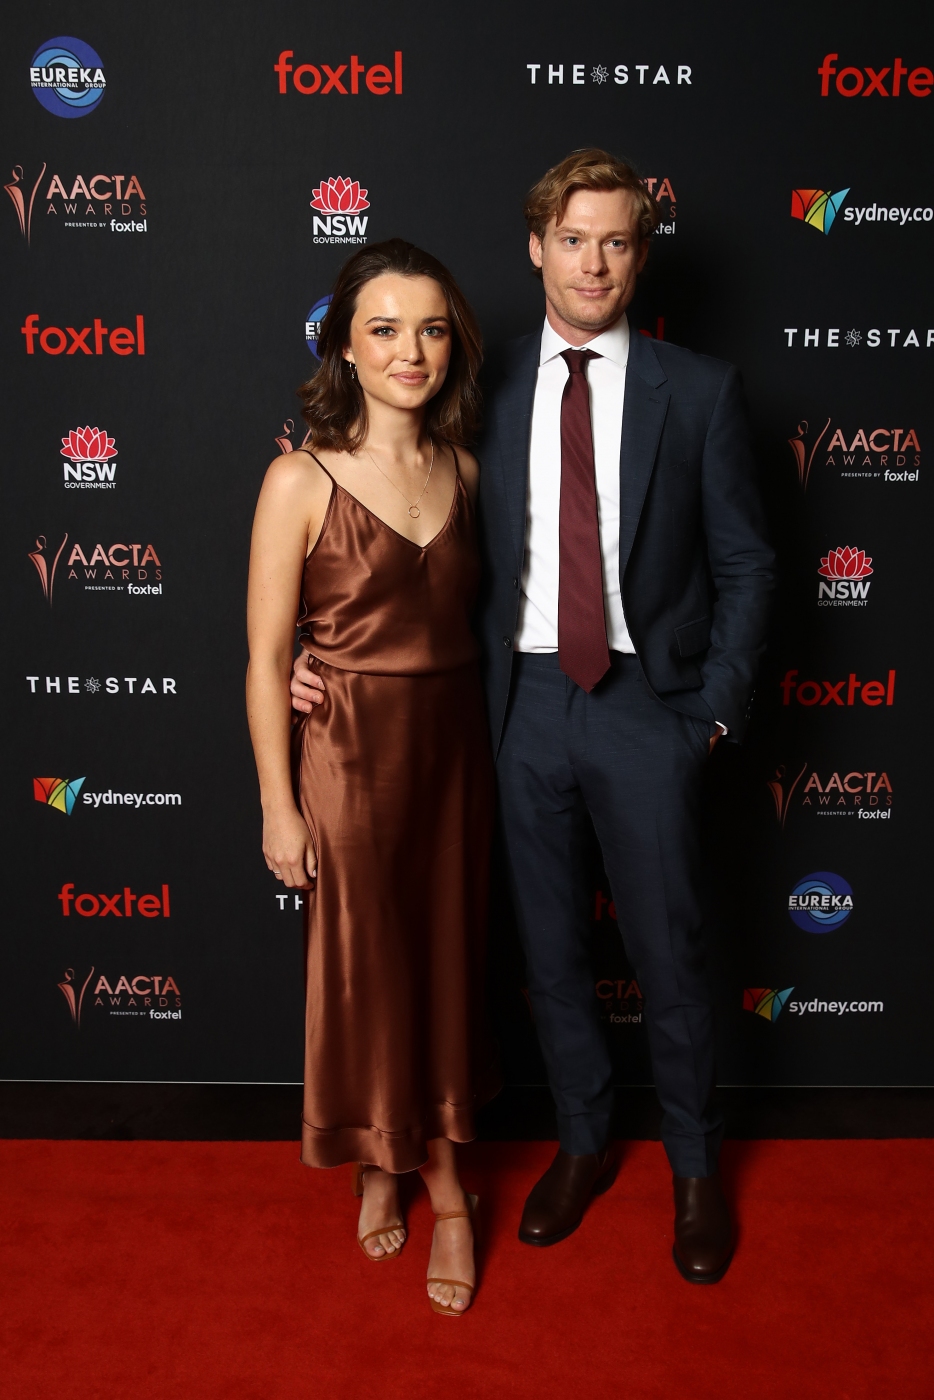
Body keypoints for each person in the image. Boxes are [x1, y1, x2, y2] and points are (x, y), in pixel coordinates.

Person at [292, 149, 775, 1283]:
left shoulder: (700, 391)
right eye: (571, 239)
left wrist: (710, 716)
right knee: (549, 953)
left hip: (648, 704)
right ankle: (583, 1142)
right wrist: (321, 649)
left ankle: (695, 1170)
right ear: (536, 248)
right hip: (515, 708)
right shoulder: (479, 384)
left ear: (639, 255)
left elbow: (749, 565)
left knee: (669, 951)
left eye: (615, 241)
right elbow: (380, 502)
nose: (592, 263)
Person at [247, 239, 496, 1316]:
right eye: (384, 329)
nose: (410, 351)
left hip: (456, 758)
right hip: (347, 757)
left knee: (447, 966)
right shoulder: (297, 478)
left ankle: (437, 1174)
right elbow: (265, 657)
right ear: (344, 347)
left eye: (431, 329)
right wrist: (278, 803)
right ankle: (396, 1169)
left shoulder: (468, 471)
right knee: (371, 971)